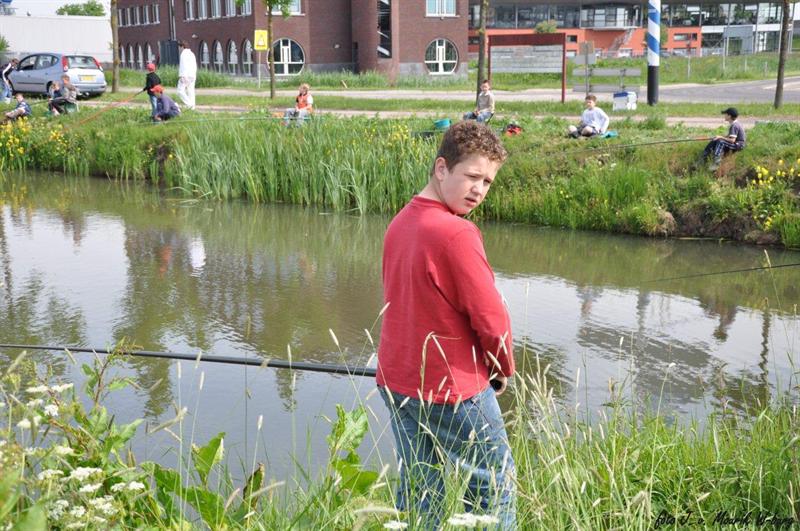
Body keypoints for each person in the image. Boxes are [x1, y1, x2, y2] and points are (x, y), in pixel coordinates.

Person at [376, 121, 516, 529]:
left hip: (397, 382)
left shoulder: (400, 222)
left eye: (487, 182)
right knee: (493, 483)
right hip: (452, 388)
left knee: (421, 489)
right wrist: (501, 368)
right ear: (441, 168)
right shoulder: (457, 233)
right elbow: (491, 318)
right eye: (472, 176)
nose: (479, 190)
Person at [177, 40, 197, 110]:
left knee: (180, 91)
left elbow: (183, 65)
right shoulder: (192, 54)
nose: (179, 49)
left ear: (182, 46)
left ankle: (189, 104)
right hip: (192, 75)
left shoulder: (183, 54)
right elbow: (195, 65)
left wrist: (183, 76)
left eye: (179, 47)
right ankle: (192, 107)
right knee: (191, 91)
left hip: (185, 75)